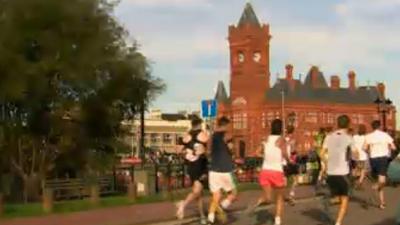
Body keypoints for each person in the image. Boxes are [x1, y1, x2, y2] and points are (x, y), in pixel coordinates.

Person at [246, 119, 289, 225]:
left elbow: (256, 153)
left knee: (268, 198)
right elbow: (284, 154)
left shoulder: (266, 139)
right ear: (281, 128)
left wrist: (265, 156)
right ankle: (277, 220)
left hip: (265, 171)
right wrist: (289, 161)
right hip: (277, 171)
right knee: (279, 198)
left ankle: (259, 201)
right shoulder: (282, 140)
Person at [320, 115, 354, 225]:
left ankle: (328, 202)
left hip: (331, 172)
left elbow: (321, 154)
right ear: (348, 124)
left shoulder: (329, 136)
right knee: (345, 199)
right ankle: (338, 222)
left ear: (337, 123)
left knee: (337, 196)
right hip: (343, 173)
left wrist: (326, 164)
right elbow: (355, 154)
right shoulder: (349, 138)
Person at [176, 117, 209, 224]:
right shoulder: (203, 134)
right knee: (197, 191)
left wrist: (187, 153)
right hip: (201, 165)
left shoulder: (187, 136)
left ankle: (202, 216)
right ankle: (183, 204)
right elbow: (209, 149)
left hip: (191, 166)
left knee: (199, 193)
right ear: (200, 124)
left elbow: (178, 150)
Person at [207, 116, 237, 225]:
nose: (230, 127)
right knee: (233, 193)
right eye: (229, 125)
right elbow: (231, 148)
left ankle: (210, 218)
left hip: (214, 170)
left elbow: (208, 151)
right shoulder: (227, 135)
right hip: (225, 169)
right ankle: (222, 206)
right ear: (226, 125)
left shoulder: (212, 136)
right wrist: (233, 152)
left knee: (216, 195)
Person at [364, 120, 396, 209]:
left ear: (372, 127)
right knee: (382, 181)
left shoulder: (368, 136)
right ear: (380, 126)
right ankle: (375, 187)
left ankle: (382, 202)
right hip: (383, 159)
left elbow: (364, 148)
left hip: (373, 159)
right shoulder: (385, 135)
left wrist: (370, 152)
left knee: (379, 180)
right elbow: (394, 147)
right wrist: (387, 148)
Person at [283, 126, 299, 205]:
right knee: (296, 179)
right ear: (292, 132)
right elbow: (294, 152)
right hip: (290, 162)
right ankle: (291, 196)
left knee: (285, 181)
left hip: (283, 163)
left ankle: (283, 196)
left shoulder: (282, 141)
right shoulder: (293, 141)